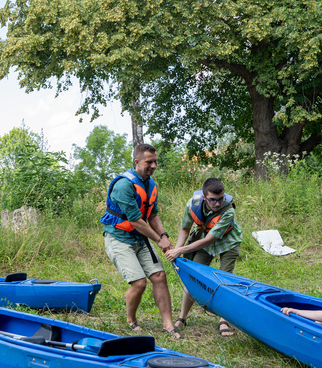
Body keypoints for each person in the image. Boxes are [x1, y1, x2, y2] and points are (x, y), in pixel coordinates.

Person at [100, 144, 177, 339]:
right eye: (149, 162)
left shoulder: (151, 184)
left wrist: (165, 235)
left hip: (139, 238)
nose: (153, 165)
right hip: (119, 238)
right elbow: (135, 220)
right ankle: (131, 320)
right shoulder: (124, 185)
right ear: (137, 162)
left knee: (159, 276)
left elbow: (153, 215)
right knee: (139, 283)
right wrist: (159, 240)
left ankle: (169, 325)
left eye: (155, 161)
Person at [165, 178, 243, 337]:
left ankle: (224, 320)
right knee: (193, 278)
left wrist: (180, 250)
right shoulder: (192, 204)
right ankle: (182, 317)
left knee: (225, 280)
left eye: (220, 199)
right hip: (204, 243)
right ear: (204, 197)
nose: (217, 203)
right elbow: (185, 229)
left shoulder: (228, 211)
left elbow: (209, 240)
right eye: (213, 200)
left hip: (228, 242)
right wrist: (176, 251)